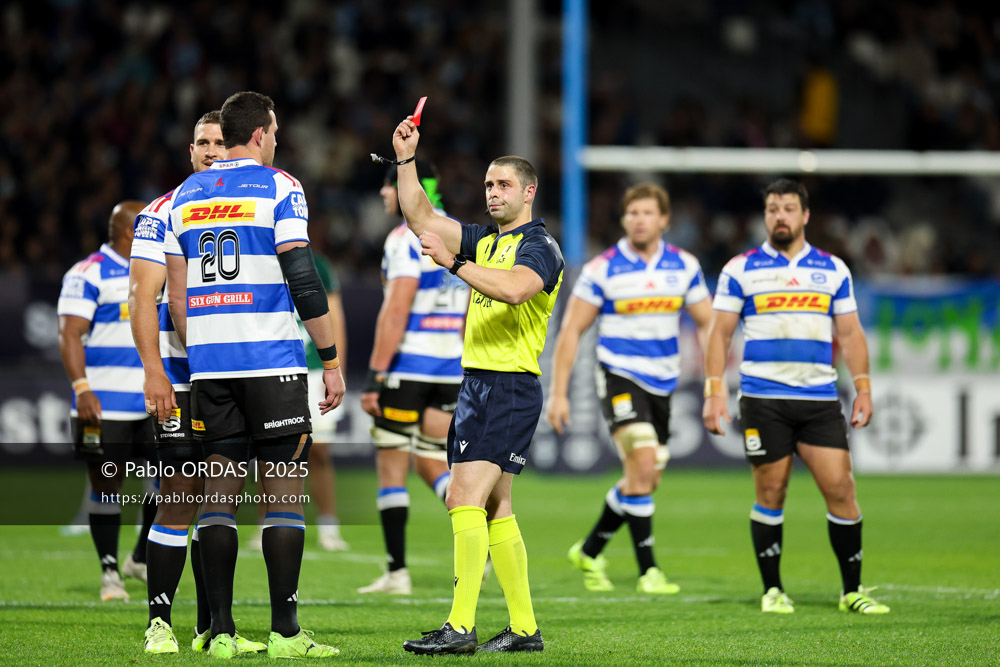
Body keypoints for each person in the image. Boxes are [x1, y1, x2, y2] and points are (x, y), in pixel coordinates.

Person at [151, 91, 345, 658]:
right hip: (270, 362)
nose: (278, 139)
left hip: (209, 365)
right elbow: (302, 276)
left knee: (218, 494)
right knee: (282, 491)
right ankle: (285, 634)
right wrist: (329, 361)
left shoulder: (183, 196)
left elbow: (178, 293)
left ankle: (221, 633)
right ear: (260, 133)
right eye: (276, 131)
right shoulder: (280, 186)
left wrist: (204, 348)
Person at [391, 117, 563, 655]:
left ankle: (460, 626)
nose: (492, 192)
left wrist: (455, 263)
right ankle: (524, 629)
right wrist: (405, 159)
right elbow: (420, 214)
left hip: (509, 386)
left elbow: (515, 291)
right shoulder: (485, 240)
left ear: (528, 192)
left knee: (463, 498)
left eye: (503, 184)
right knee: (495, 507)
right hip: (478, 385)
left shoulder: (540, 247)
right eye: (488, 184)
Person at [702, 178, 889, 615]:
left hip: (819, 398)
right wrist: (714, 394)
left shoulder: (832, 269)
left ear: (805, 215)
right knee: (771, 490)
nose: (780, 216)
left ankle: (852, 592)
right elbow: (720, 336)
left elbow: (850, 332)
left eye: (788, 208)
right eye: (772, 209)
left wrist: (863, 388)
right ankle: (773, 590)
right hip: (763, 399)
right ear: (764, 216)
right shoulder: (741, 269)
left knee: (841, 488)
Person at [129, 111, 266, 655]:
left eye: (219, 142)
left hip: (234, 376)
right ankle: (159, 622)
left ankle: (214, 629)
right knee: (180, 493)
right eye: (202, 143)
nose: (212, 151)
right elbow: (143, 298)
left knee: (223, 498)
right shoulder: (160, 212)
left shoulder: (252, 206)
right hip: (182, 378)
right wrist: (154, 372)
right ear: (190, 151)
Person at [547, 183, 712, 594]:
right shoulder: (602, 269)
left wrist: (716, 384)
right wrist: (560, 392)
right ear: (623, 220)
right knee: (640, 465)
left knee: (645, 479)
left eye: (647, 212)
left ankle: (589, 550)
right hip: (619, 376)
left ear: (664, 220)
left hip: (664, 382)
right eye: (631, 212)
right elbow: (571, 331)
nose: (639, 219)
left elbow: (709, 324)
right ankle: (649, 571)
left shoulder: (684, 267)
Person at [358, 161, 467, 595]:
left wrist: (376, 375)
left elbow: (397, 307)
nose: (385, 197)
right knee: (435, 463)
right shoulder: (458, 231)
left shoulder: (404, 238)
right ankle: (479, 546)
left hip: (408, 368)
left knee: (391, 469)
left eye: (388, 190)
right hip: (452, 369)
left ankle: (396, 572)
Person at [57, 200, 158, 602]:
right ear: (129, 232)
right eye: (148, 227)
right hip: (100, 403)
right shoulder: (88, 273)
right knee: (105, 486)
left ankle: (138, 557)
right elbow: (69, 334)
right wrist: (82, 388)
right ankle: (109, 572)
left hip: (152, 402)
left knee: (173, 480)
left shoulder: (157, 269)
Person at [248, 250, 350, 554]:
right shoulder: (257, 258)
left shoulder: (319, 264)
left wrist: (336, 367)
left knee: (319, 452)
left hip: (315, 369)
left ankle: (329, 525)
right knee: (269, 451)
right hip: (274, 369)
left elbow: (335, 318)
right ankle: (264, 523)